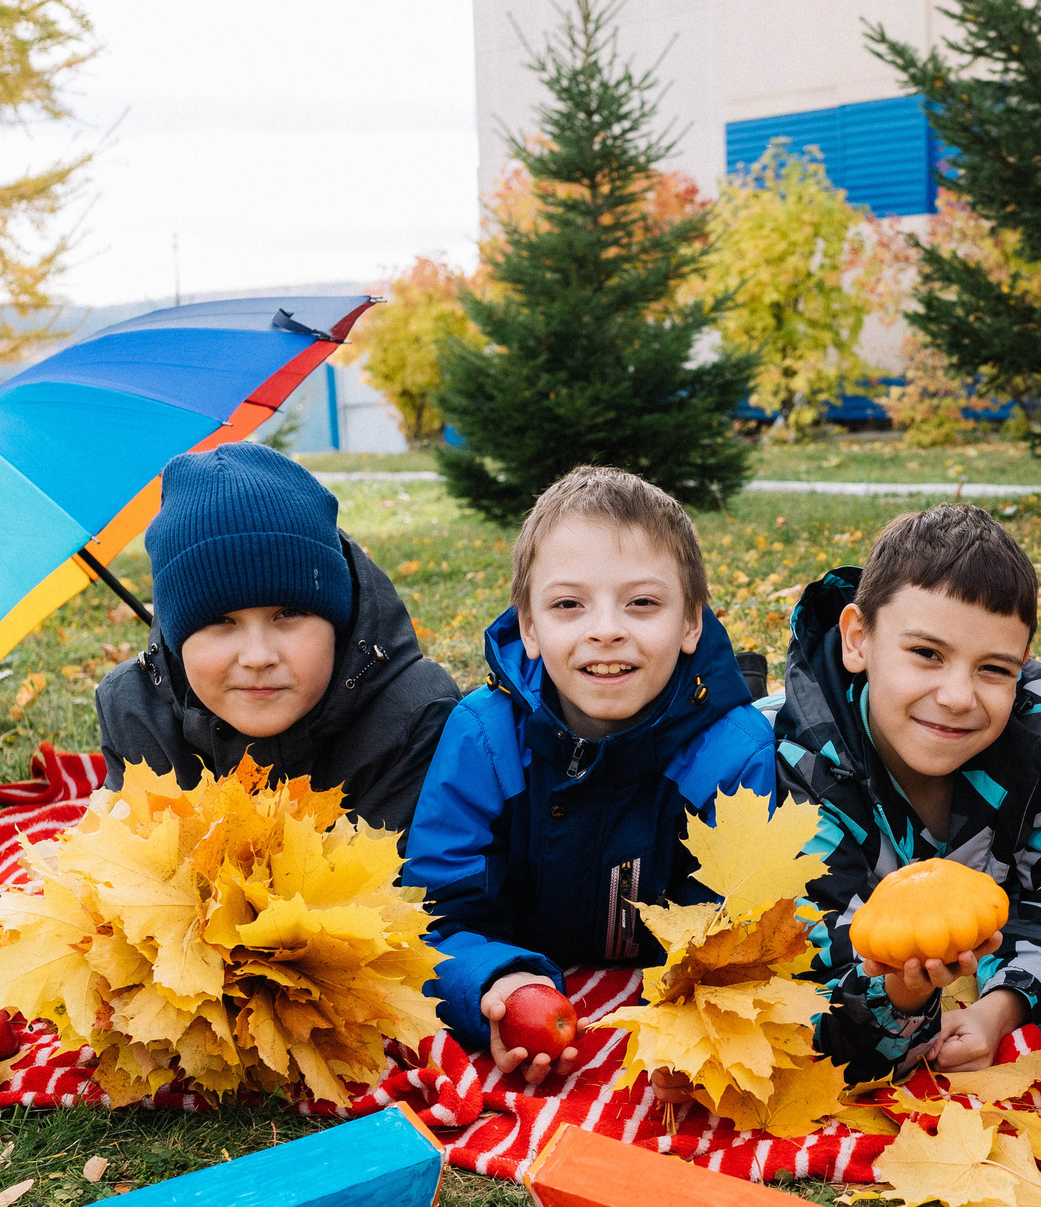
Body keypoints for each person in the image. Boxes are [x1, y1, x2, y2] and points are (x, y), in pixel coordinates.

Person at [403, 467, 774, 1084]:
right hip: (530, 985)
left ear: (691, 624)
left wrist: (704, 1024)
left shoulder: (732, 756)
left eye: (643, 603)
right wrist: (494, 979)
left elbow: (744, 935)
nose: (606, 628)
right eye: (569, 604)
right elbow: (433, 912)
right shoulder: (485, 739)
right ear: (528, 626)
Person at [779, 504, 1041, 1080]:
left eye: (994, 670)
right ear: (858, 640)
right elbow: (813, 968)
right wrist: (901, 995)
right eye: (927, 654)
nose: (957, 696)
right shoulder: (808, 762)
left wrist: (1001, 1008)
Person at [94, 441, 460, 835]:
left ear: (338, 620)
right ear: (177, 641)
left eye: (289, 613)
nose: (257, 656)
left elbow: (398, 890)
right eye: (220, 620)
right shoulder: (134, 711)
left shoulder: (411, 715)